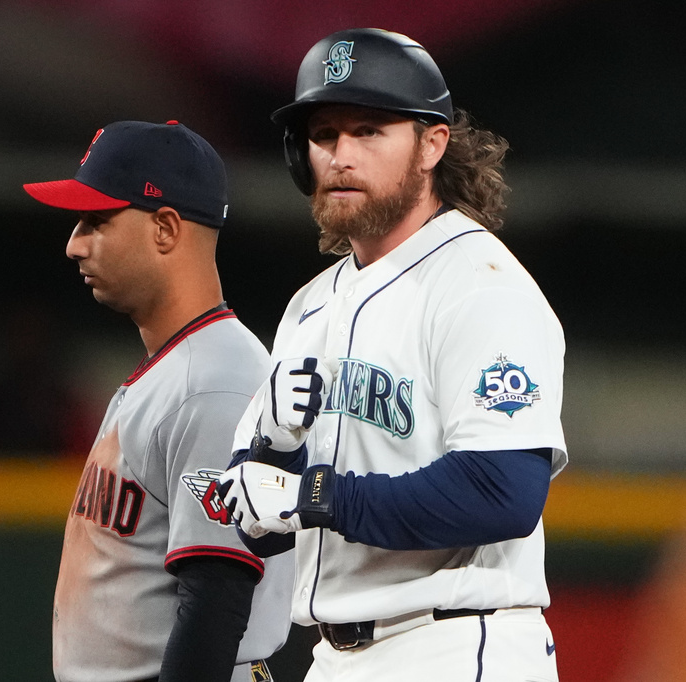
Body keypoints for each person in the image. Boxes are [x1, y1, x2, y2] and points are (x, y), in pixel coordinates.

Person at [218, 28, 568, 681]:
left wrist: (311, 493)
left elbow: (503, 494)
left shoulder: (480, 285)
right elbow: (255, 513)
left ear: (433, 144)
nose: (342, 156)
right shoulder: (309, 308)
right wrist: (274, 444)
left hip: (457, 644)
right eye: (325, 135)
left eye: (370, 131)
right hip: (333, 654)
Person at [23, 120, 293, 682]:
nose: (74, 243)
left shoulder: (215, 381)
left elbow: (216, 601)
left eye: (97, 220)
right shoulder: (180, 368)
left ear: (166, 229)